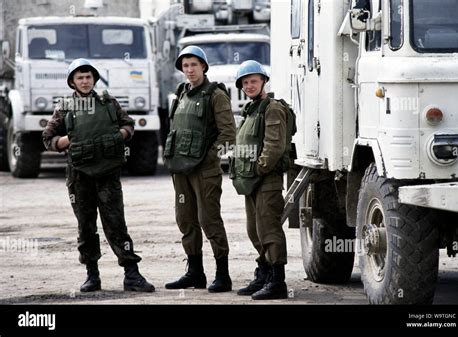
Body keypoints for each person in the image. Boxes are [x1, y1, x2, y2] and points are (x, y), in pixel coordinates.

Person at [42, 58, 155, 293]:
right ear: (72, 82)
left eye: (88, 77)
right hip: (79, 175)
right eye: (80, 77)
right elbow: (48, 139)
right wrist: (68, 141)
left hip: (108, 174)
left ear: (94, 79)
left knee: (116, 224)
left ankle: (132, 275)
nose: (85, 81)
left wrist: (119, 136)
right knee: (86, 227)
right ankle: (92, 275)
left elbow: (129, 125)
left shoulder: (108, 102)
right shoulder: (65, 107)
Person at [163, 46, 236, 292]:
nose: (190, 70)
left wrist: (208, 158)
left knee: (209, 220)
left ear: (204, 66)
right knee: (186, 220)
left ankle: (222, 276)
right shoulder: (181, 93)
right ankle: (195, 273)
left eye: (194, 64)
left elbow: (228, 135)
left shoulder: (215, 94)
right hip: (181, 169)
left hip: (204, 170)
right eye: (185, 66)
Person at [230, 60, 289, 300]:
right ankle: (263, 273)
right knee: (254, 230)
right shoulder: (251, 109)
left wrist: (260, 168)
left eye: (253, 81)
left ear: (263, 81)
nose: (249, 85)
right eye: (245, 82)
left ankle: (278, 281)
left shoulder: (271, 108)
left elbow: (274, 145)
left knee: (269, 229)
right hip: (251, 180)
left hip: (266, 179)